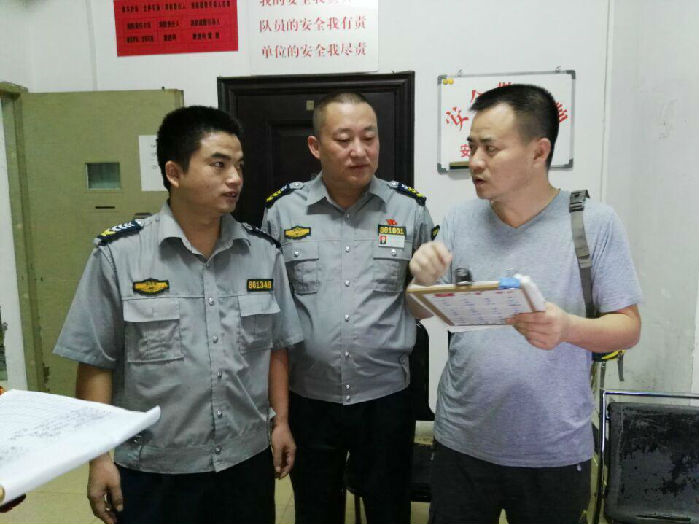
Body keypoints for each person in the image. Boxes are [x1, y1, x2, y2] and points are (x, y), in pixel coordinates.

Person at [53, 106, 303, 524]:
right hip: (154, 469)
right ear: (174, 172)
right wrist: (98, 458)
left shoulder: (263, 254)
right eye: (218, 164)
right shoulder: (119, 256)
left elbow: (277, 348)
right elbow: (95, 362)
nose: (235, 178)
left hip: (244, 462)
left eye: (239, 166)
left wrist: (281, 423)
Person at [408, 84, 642, 524]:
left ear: (539, 151)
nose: (475, 161)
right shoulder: (460, 220)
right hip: (462, 441)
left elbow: (628, 327)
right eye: (471, 147)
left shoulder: (593, 223)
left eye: (490, 148)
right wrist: (420, 280)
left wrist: (568, 328)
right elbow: (419, 311)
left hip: (552, 449)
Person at [262, 92, 435, 524]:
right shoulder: (283, 213)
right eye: (344, 139)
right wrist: (277, 415)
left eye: (368, 138)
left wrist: (430, 282)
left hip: (386, 398)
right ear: (315, 146)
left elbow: (424, 307)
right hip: (309, 398)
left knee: (389, 510)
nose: (359, 150)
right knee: (315, 510)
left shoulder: (409, 211)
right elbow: (272, 317)